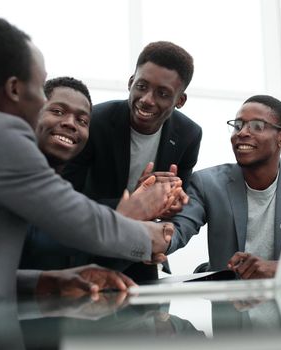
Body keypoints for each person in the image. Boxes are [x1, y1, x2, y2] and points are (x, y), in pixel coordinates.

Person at [0, 15, 173, 305]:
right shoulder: (1, 137)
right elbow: (81, 222)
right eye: (40, 86)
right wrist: (152, 236)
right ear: (15, 90)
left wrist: (44, 281)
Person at [62, 41, 202, 281]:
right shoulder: (95, 122)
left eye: (163, 93)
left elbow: (176, 207)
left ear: (180, 100)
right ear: (130, 83)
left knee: (151, 311)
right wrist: (137, 202)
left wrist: (170, 202)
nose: (147, 99)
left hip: (139, 252)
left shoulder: (189, 134)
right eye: (142, 86)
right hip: (84, 249)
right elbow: (65, 197)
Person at [167, 95, 281, 279]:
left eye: (257, 126)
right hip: (231, 303)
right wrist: (151, 236)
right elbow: (177, 230)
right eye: (238, 125)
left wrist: (280, 268)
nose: (242, 132)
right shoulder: (207, 182)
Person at [20, 76, 179, 270]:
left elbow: (87, 257)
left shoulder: (63, 190)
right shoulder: (12, 169)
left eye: (83, 120)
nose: (70, 123)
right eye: (58, 111)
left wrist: (140, 243)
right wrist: (125, 217)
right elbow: (31, 240)